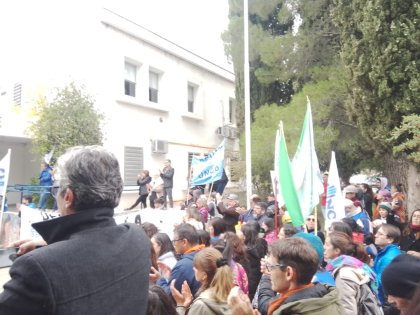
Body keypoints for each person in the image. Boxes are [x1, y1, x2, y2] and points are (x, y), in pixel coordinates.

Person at [0, 146, 151, 315]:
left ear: (68, 197)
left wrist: (47, 252)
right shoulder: (138, 238)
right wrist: (46, 244)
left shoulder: (36, 269)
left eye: (56, 189)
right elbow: (94, 250)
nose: (55, 195)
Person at [245, 238, 344, 315]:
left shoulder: (293, 310)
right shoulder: (326, 298)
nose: (268, 272)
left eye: (270, 266)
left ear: (289, 273)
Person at [324, 232, 381, 315]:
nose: (324, 247)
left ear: (337, 250)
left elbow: (347, 310)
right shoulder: (353, 265)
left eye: (327, 244)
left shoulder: (344, 274)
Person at [170, 247, 234, 314]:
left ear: (204, 275)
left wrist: (181, 305)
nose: (193, 269)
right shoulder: (232, 296)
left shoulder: (201, 305)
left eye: (196, 267)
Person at [156, 223, 202, 297]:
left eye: (174, 241)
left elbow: (169, 295)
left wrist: (161, 279)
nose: (174, 245)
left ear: (184, 242)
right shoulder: (206, 253)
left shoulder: (182, 266)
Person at [373, 224, 402, 305]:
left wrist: (368, 267)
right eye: (376, 233)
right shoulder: (384, 252)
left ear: (390, 239)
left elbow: (379, 283)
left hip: (383, 301)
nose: (375, 235)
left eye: (380, 234)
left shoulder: (389, 258)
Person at [239, 221, 268, 301]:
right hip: (259, 277)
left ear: (246, 235)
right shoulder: (262, 243)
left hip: (249, 279)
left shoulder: (244, 250)